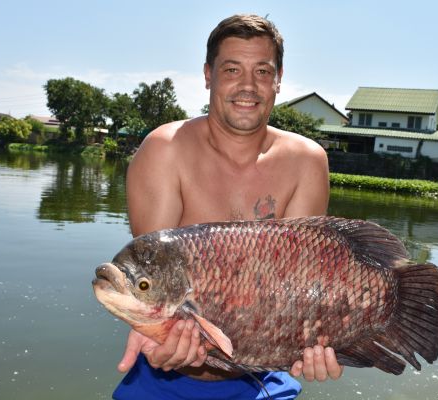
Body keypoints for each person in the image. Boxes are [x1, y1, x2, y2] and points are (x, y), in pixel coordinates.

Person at [113, 14, 344, 400]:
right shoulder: (164, 150)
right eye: (232, 69)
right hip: (165, 379)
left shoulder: (307, 161)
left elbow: (300, 287)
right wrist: (156, 333)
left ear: (279, 79)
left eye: (263, 71)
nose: (248, 86)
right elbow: (150, 282)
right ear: (208, 75)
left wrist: (321, 341)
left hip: (261, 380)